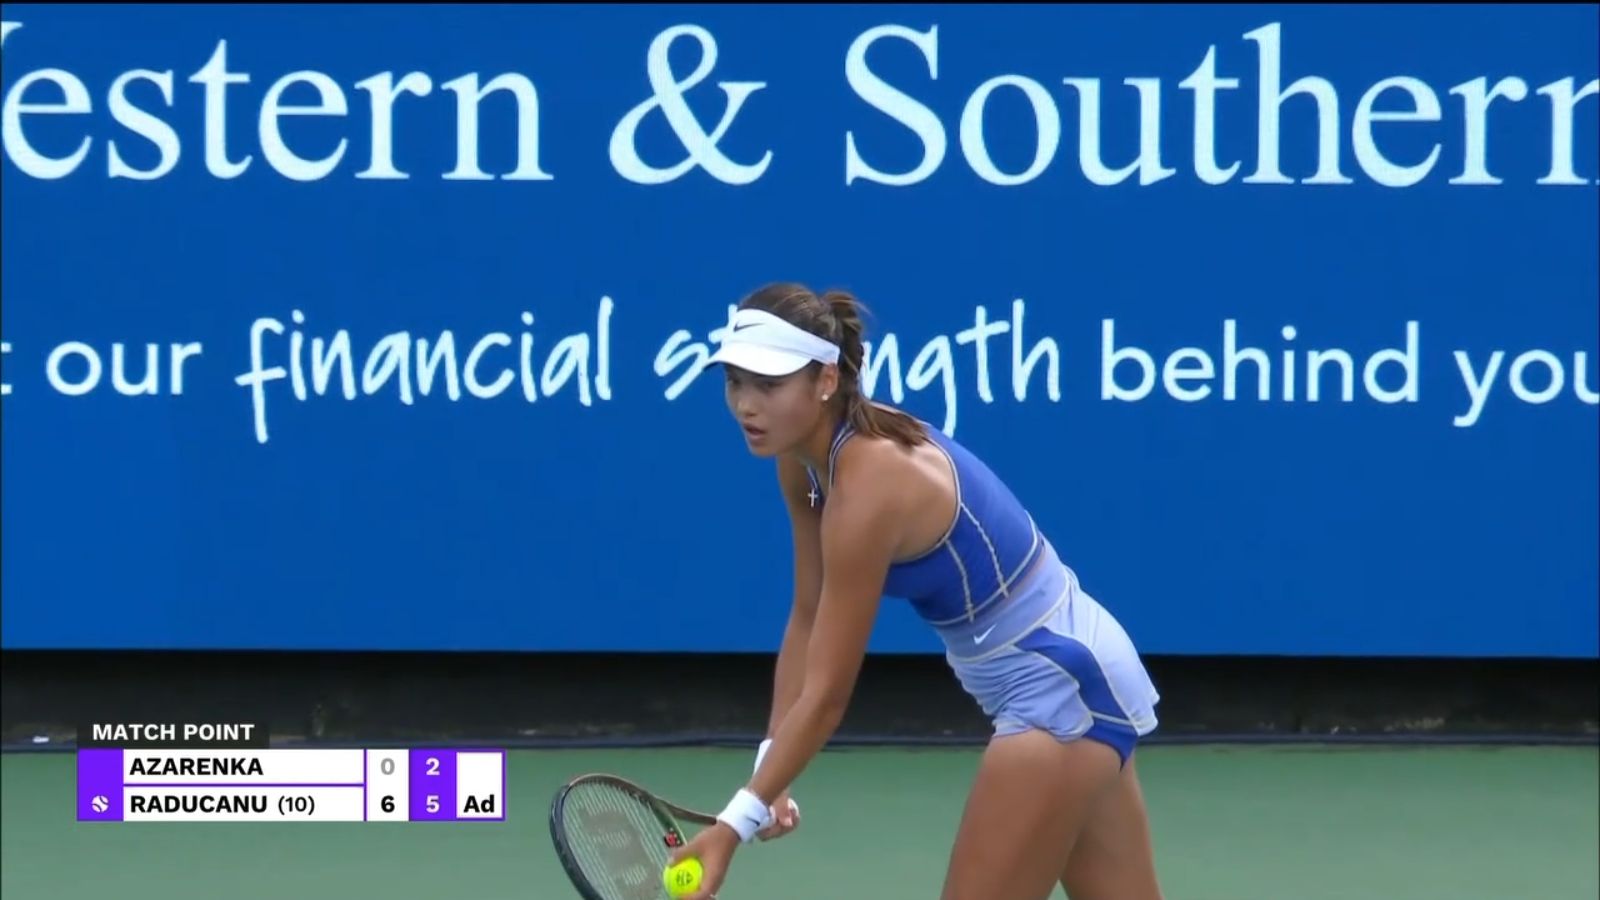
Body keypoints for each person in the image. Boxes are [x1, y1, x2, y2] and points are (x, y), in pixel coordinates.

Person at [668, 283, 1164, 900]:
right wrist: (770, 770)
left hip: (1059, 688)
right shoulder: (801, 462)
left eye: (769, 385)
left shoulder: (868, 488)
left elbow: (827, 696)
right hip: (1073, 671)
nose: (746, 404)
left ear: (825, 380)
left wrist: (734, 824)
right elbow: (809, 615)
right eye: (735, 382)